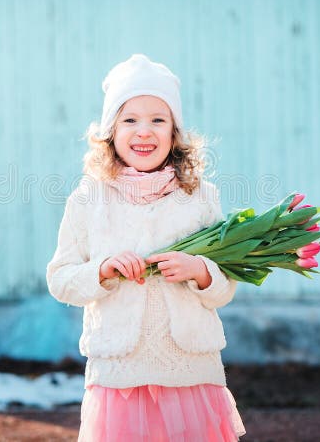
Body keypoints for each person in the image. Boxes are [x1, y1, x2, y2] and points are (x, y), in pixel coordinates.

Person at [46, 54, 246, 441]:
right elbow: (60, 279)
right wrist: (101, 270)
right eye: (130, 120)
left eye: (158, 120)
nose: (144, 131)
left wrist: (201, 271)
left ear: (175, 132)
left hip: (189, 372)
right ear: (110, 130)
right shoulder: (89, 198)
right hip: (121, 375)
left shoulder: (200, 197)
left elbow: (225, 287)